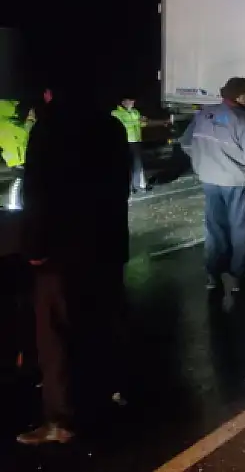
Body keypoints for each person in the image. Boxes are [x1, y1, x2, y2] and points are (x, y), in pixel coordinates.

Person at [16, 81, 132, 446]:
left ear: (52, 94)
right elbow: (119, 186)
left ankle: (62, 418)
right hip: (107, 244)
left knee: (55, 333)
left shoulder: (49, 131)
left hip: (64, 251)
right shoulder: (111, 127)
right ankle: (108, 393)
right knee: (102, 321)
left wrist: (35, 247)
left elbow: (39, 193)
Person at [180, 77, 245, 293]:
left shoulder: (204, 113)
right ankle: (236, 277)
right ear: (237, 96)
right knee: (240, 229)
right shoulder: (241, 119)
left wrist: (201, 162)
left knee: (215, 229)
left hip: (209, 179)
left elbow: (186, 142)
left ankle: (213, 276)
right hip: (236, 182)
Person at [111, 96, 152, 195]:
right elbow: (123, 124)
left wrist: (144, 121)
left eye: (134, 100)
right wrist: (137, 121)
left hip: (137, 141)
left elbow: (140, 124)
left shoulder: (135, 111)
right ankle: (128, 187)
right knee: (127, 165)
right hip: (125, 141)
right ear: (124, 102)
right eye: (131, 101)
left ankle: (137, 185)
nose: (133, 102)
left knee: (138, 165)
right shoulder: (116, 113)